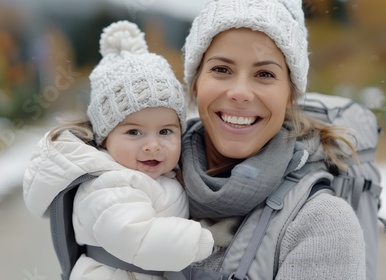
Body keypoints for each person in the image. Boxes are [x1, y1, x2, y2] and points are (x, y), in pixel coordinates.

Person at [177, 0, 366, 279]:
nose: (240, 92)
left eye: (264, 74)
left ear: (290, 95)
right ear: (195, 83)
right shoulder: (140, 177)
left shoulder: (322, 223)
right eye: (221, 69)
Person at [22, 21, 213, 280]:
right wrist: (203, 241)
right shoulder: (107, 184)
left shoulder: (161, 175)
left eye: (165, 131)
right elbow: (136, 237)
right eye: (134, 132)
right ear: (104, 139)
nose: (153, 145)